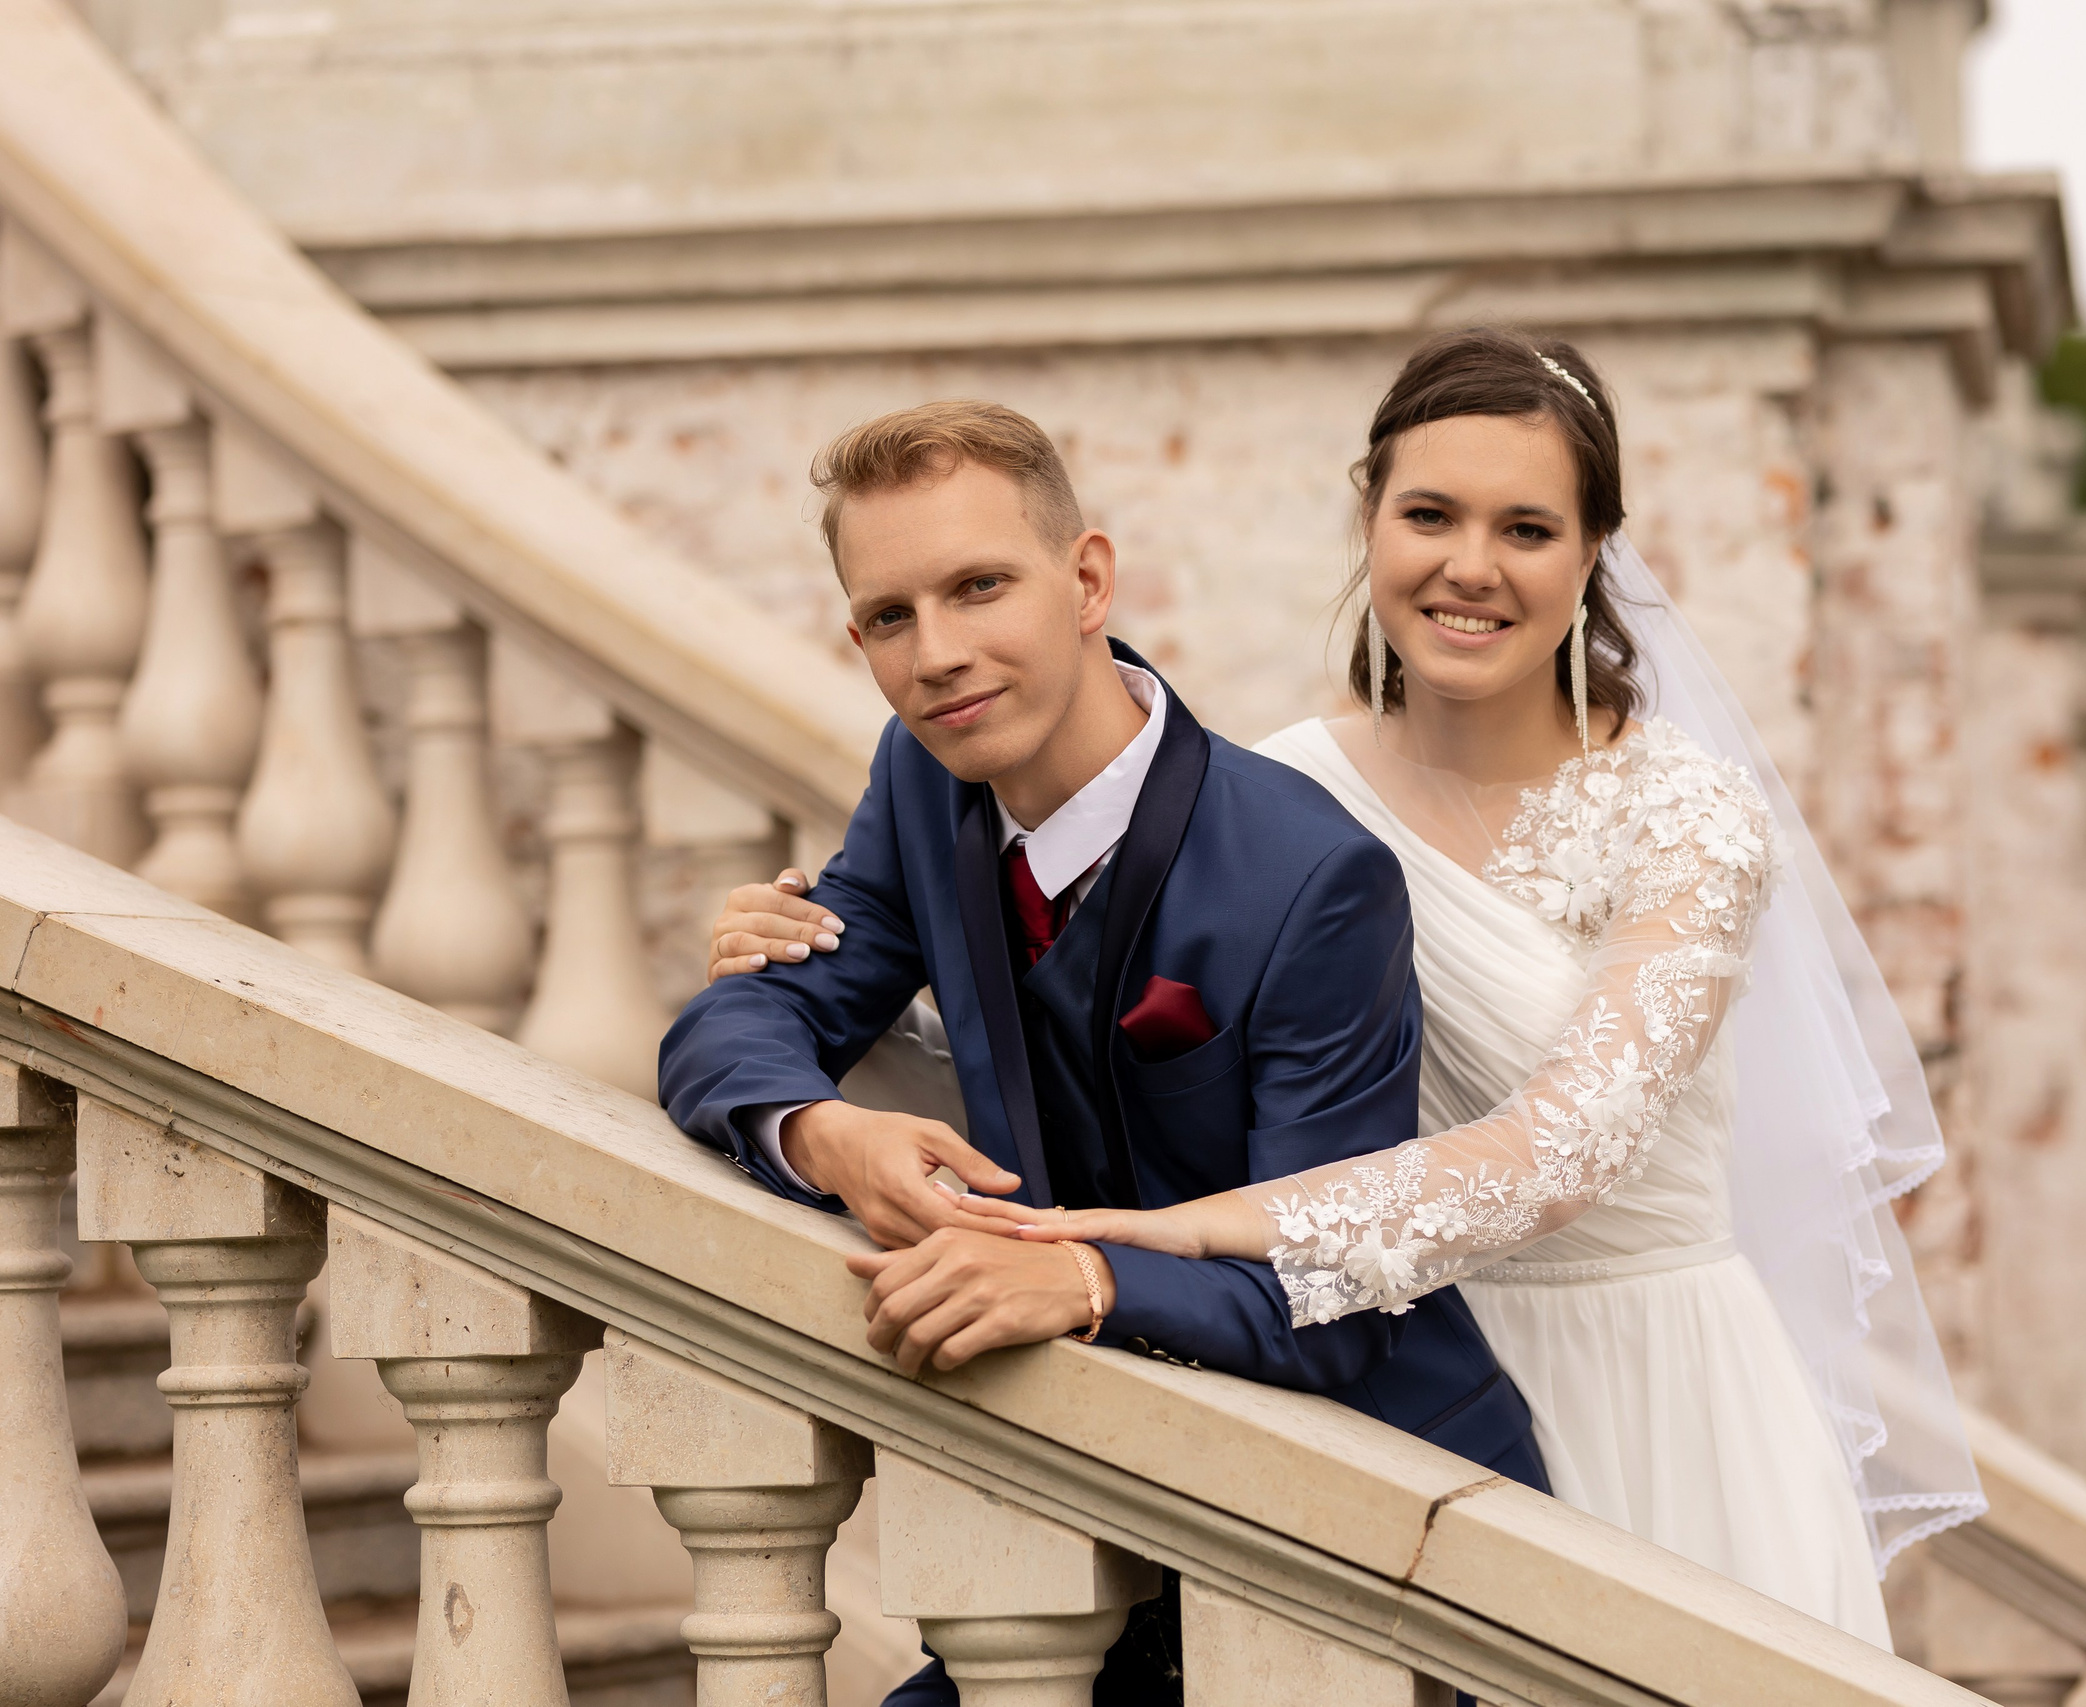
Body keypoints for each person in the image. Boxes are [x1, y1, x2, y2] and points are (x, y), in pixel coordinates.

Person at [704, 333, 1986, 1647]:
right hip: (1385, 1386)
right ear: (1370, 521)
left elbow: (1562, 1152)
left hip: (1654, 1376)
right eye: (1429, 514)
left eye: (1527, 527)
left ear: (1594, 550)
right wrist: (839, 1021)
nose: (1469, 566)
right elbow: (1098, 1032)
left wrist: (1173, 1238)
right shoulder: (1294, 785)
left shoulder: (1686, 819)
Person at [657, 400, 1547, 1707]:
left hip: (1365, 1546)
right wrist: (828, 1134)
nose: (940, 654)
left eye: (979, 588)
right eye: (891, 618)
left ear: (1085, 582)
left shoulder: (1311, 879)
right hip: (1098, 1518)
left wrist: (1084, 1281)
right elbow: (734, 1025)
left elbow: (1337, 1289)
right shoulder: (922, 782)